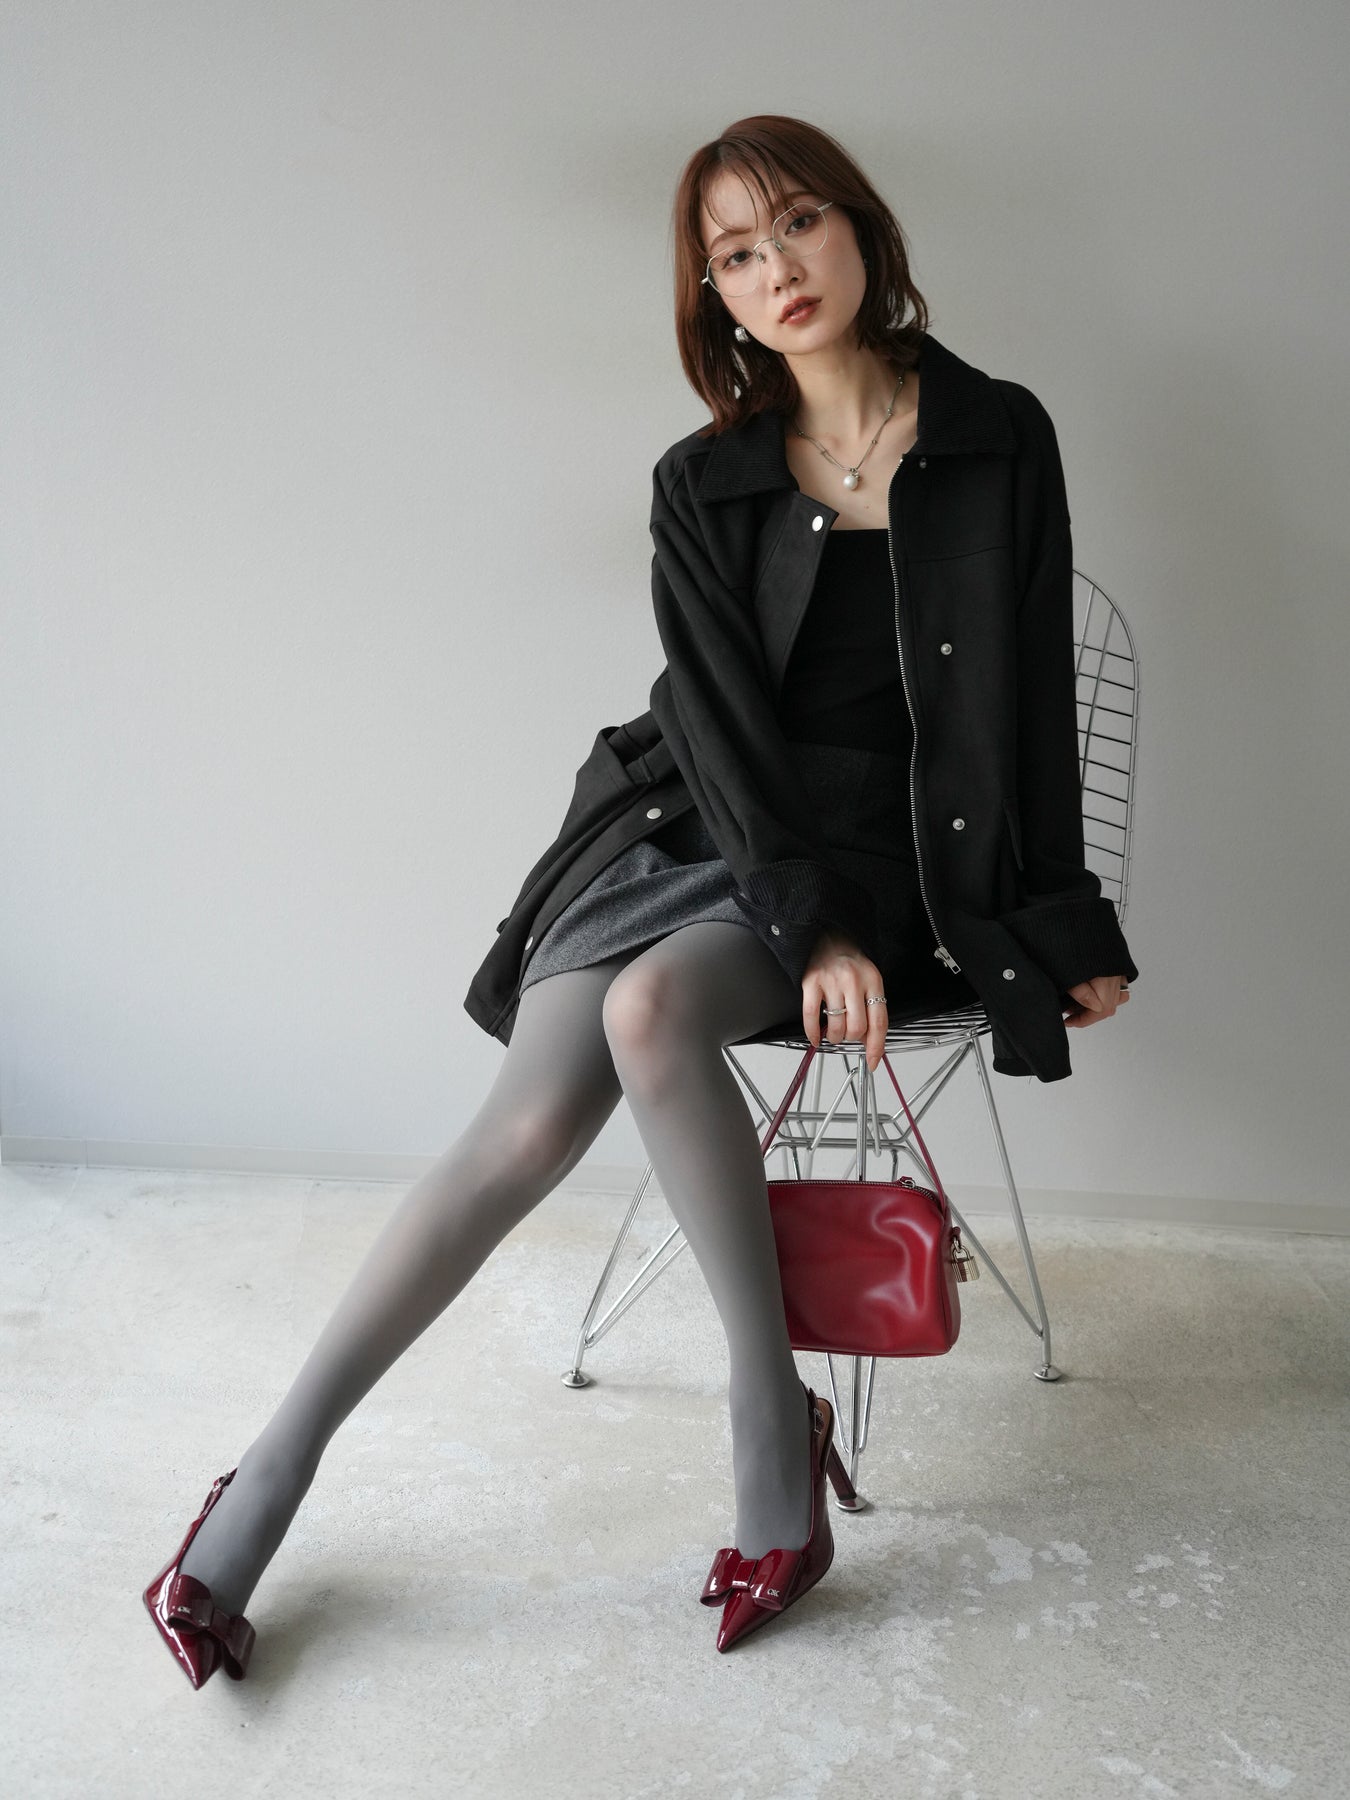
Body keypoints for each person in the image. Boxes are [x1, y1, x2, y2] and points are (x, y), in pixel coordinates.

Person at [143, 114, 1137, 1684]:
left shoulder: (996, 432)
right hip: (689, 824)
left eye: (796, 225)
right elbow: (721, 726)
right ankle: (262, 1481)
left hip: (889, 852)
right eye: (735, 253)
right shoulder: (702, 479)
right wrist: (797, 921)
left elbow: (1022, 701)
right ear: (712, 294)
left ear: (860, 231)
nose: (776, 267)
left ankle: (766, 1433)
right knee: (522, 1129)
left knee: (653, 1009)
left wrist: (1061, 917)